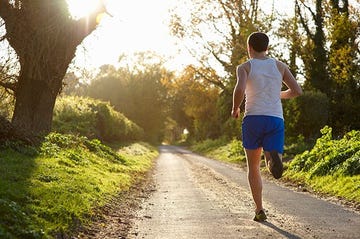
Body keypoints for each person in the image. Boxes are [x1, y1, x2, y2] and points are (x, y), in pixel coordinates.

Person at [231, 32, 302, 222]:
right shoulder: (279, 66)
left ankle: (259, 209)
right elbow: (296, 91)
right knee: (270, 156)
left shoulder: (245, 67)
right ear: (267, 48)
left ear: (249, 48)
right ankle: (273, 162)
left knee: (253, 167)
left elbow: (239, 89)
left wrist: (235, 107)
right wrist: (277, 95)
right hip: (275, 119)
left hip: (253, 118)